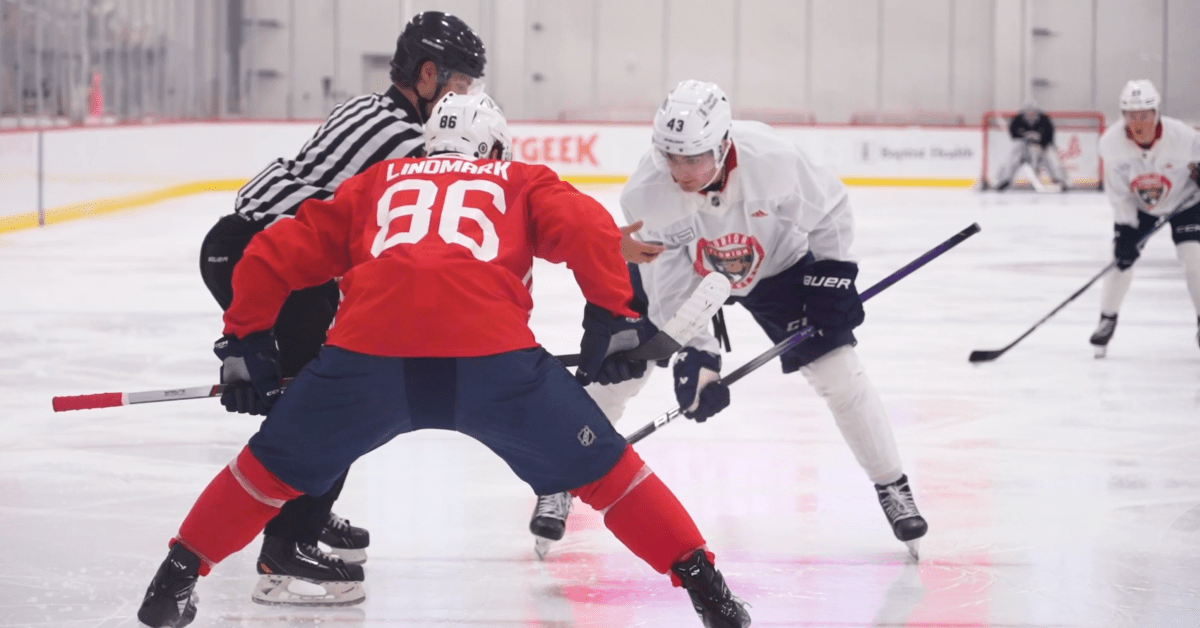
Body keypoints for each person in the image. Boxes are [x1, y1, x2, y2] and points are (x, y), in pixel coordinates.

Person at [136, 92, 751, 628]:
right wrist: (613, 319)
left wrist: (244, 343)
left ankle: (173, 581)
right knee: (607, 475)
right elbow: (588, 228)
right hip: (495, 365)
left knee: (267, 473)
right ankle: (706, 587)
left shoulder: (374, 184)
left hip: (364, 362)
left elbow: (270, 254)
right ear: (494, 149)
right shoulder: (518, 180)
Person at [529, 79, 929, 560]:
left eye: (693, 158)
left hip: (778, 266)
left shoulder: (773, 158)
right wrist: (698, 354)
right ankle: (559, 476)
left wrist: (832, 275)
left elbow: (830, 211)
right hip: (682, 276)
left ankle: (892, 484)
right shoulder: (648, 192)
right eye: (670, 156)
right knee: (620, 370)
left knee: (838, 371)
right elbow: (670, 281)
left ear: (723, 144)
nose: (680, 172)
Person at [196, 11, 487, 605]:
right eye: (462, 84)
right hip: (271, 262)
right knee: (336, 402)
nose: (469, 99)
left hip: (243, 246)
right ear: (428, 75)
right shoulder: (412, 144)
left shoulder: (364, 106)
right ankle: (287, 544)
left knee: (318, 395)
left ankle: (300, 507)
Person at [1089, 79, 1200, 358]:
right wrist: (1125, 228)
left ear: (1156, 113)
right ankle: (1107, 318)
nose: (1138, 123)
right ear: (1123, 116)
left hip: (1185, 203)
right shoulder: (1111, 144)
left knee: (1195, 260)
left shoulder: (1184, 137)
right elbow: (1118, 192)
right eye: (1131, 116)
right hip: (1140, 206)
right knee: (1120, 261)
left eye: (1144, 115)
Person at [988, 101, 1068, 191]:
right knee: (1012, 155)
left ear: (1037, 112)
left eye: (1033, 112)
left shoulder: (1045, 120)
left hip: (1041, 147)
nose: (1030, 114)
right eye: (1027, 112)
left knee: (1052, 157)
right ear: (1024, 112)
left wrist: (1040, 145)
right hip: (1024, 149)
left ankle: (1061, 181)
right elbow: (1014, 136)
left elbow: (1050, 138)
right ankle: (1003, 181)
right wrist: (1026, 139)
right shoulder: (1017, 120)